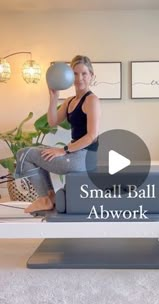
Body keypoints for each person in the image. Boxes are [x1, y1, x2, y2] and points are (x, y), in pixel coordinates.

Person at [15, 55, 101, 214]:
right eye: (75, 74)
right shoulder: (70, 101)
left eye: (84, 74)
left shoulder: (92, 100)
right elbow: (53, 121)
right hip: (76, 154)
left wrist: (64, 150)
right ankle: (49, 197)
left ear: (91, 76)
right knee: (34, 150)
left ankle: (45, 198)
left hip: (83, 157)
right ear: (69, 76)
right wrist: (53, 98)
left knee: (24, 153)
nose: (79, 78)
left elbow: (91, 136)